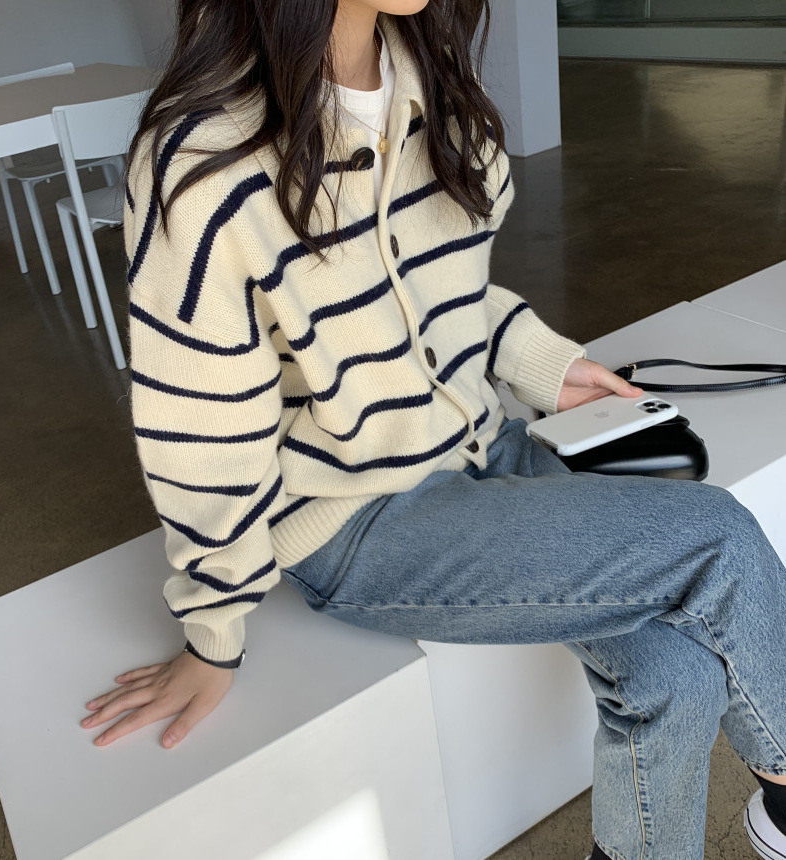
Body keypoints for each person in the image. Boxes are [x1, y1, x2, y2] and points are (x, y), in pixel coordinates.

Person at [81, 1, 786, 857]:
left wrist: (540, 362)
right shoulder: (204, 157)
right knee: (719, 538)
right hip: (358, 519)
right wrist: (212, 630)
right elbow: (199, 429)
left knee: (675, 673)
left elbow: (436, 295)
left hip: (483, 447)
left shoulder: (425, 76)